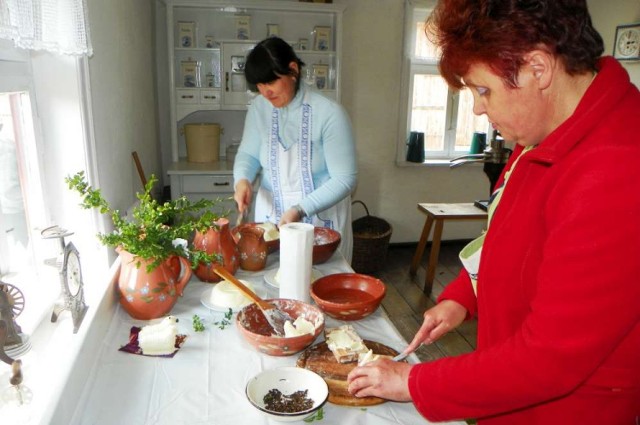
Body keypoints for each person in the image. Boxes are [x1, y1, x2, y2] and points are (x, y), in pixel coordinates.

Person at [347, 0, 640, 423]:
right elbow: (509, 236)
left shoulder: (619, 169)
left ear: (538, 69)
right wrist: (464, 296)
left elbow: (550, 360)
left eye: (483, 90)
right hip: (509, 387)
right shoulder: (542, 130)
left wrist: (412, 381)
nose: (479, 109)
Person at [233, 37, 357, 262]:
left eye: (270, 82)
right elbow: (248, 154)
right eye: (259, 86)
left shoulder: (330, 114)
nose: (265, 92)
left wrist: (300, 209)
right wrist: (242, 180)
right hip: (271, 216)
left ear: (293, 70)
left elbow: (345, 179)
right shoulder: (259, 109)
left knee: (316, 286)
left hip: (321, 221)